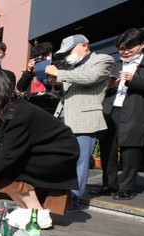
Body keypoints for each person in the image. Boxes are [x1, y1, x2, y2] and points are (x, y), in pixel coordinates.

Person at [0, 69, 80, 229]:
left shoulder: (18, 114)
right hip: (41, 150)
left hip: (57, 154)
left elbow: (8, 156)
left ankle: (36, 213)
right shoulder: (6, 109)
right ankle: (25, 209)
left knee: (6, 168)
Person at [45, 34, 113, 211]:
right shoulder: (72, 67)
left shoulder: (103, 60)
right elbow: (66, 92)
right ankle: (57, 195)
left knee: (80, 160)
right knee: (59, 159)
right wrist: (57, 84)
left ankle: (73, 199)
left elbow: (90, 77)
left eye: (70, 50)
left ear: (84, 45)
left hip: (85, 119)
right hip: (63, 117)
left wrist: (59, 73)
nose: (67, 55)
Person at [96, 28, 144, 200]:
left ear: (142, 45)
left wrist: (134, 80)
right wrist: (108, 85)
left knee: (130, 151)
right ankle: (108, 185)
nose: (124, 52)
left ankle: (126, 188)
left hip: (135, 111)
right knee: (107, 149)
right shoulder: (115, 64)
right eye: (121, 48)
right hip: (111, 109)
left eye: (129, 47)